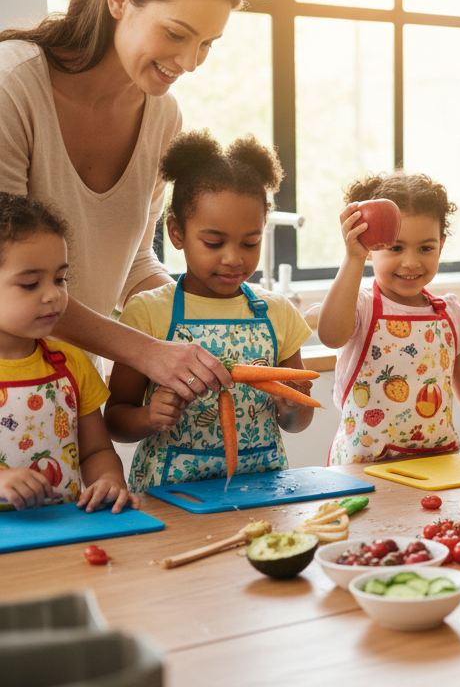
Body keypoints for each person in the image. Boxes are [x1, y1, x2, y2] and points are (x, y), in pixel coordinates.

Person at [0, 0, 242, 404]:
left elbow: (133, 260)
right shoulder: (12, 86)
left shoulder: (162, 117)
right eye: (177, 33)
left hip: (73, 395)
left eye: (206, 45)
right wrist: (148, 352)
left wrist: (210, 315)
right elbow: (9, 270)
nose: (191, 62)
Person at [103, 132, 313, 492]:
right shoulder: (149, 311)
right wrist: (148, 417)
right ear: (176, 232)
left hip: (260, 489)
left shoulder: (277, 311)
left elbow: (298, 420)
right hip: (169, 493)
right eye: (214, 242)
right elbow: (115, 421)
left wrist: (292, 408)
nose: (234, 258)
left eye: (251, 242)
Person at [319, 172, 460, 463]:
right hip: (363, 472)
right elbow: (330, 336)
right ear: (371, 248)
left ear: (441, 245)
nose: (411, 261)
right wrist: (353, 258)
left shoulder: (450, 315)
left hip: (436, 465)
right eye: (395, 247)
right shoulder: (361, 308)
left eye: (426, 248)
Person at [0, 193, 135, 513]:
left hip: (65, 533)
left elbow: (96, 451)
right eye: (31, 283)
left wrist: (109, 480)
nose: (53, 295)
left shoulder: (71, 363)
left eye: (60, 279)